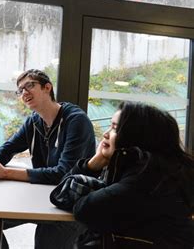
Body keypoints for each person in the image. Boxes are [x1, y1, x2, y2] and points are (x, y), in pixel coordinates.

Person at [0, 69, 96, 249]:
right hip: (42, 197)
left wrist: (5, 173)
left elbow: (63, 173)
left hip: (70, 205)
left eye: (29, 86)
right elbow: (8, 148)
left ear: (47, 88)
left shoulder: (76, 121)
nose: (24, 93)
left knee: (44, 242)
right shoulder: (35, 121)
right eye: (20, 90)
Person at [51, 102, 194, 248]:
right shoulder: (154, 169)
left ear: (136, 135)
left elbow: (85, 209)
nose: (106, 134)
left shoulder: (148, 177)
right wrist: (92, 164)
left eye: (115, 128)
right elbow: (64, 190)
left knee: (56, 229)